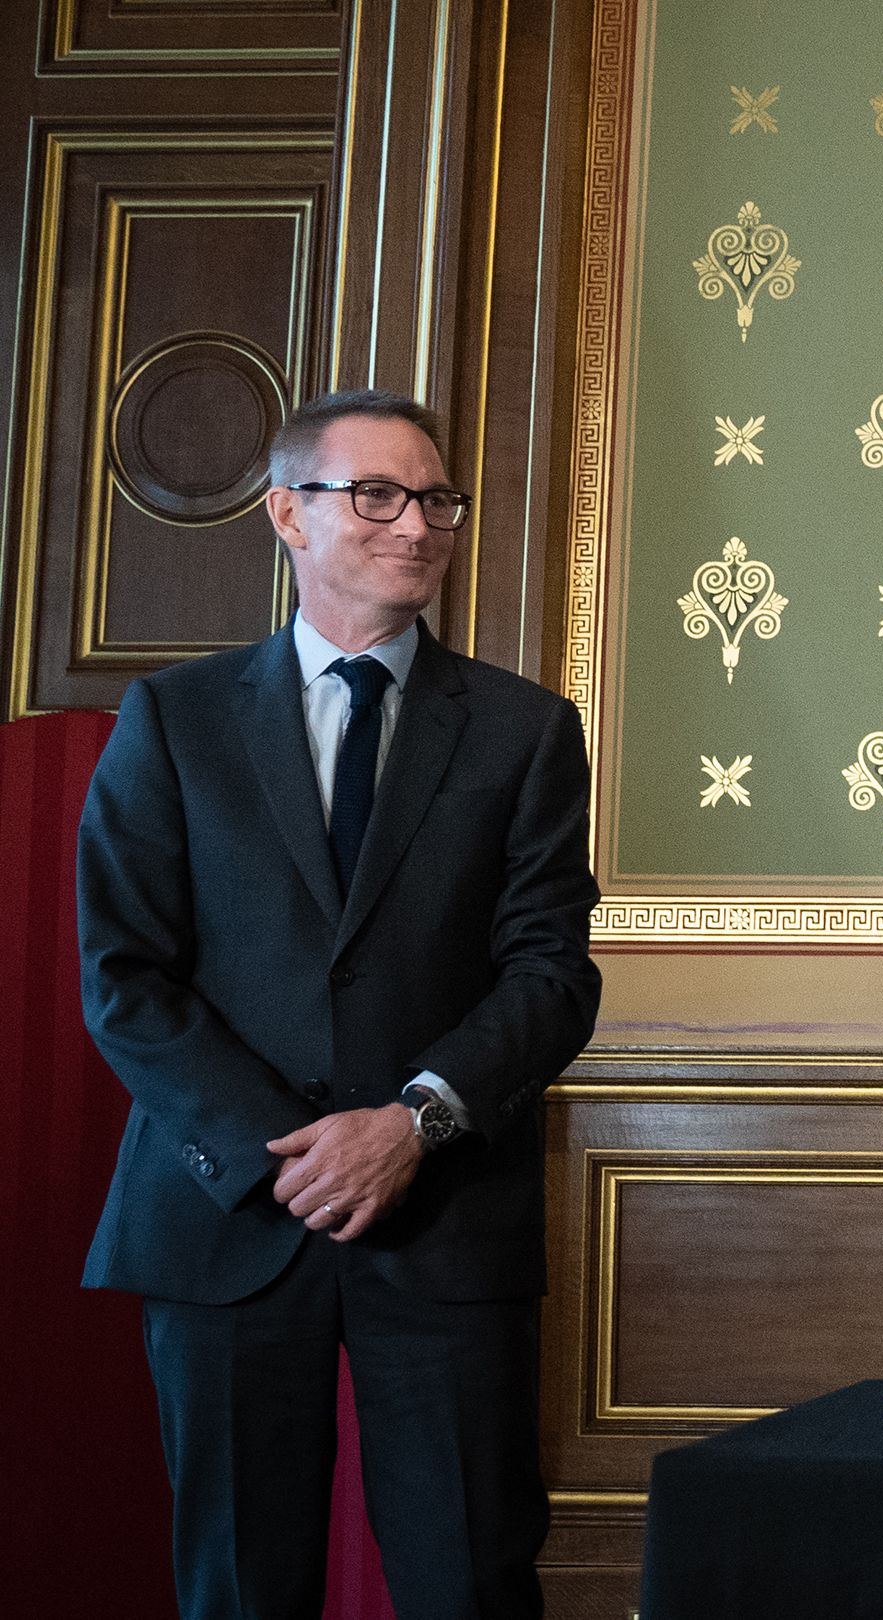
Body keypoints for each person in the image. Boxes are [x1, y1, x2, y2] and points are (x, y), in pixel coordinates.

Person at [77, 390, 600, 1619]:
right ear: (286, 514)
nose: (415, 524)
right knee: (240, 1586)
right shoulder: (175, 717)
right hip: (226, 1214)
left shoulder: (525, 732)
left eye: (436, 499)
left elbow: (551, 976)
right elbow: (124, 976)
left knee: (469, 1577)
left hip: (445, 1213)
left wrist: (408, 1123)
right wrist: (285, 1153)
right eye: (375, 494)